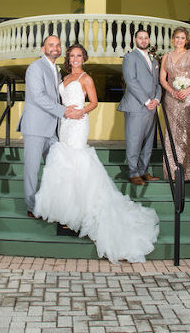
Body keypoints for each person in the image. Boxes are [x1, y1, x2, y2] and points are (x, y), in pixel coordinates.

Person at [34, 44, 159, 263]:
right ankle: (66, 210)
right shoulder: (62, 78)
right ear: (68, 58)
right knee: (64, 164)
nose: (75, 59)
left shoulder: (86, 78)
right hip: (64, 123)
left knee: (77, 161)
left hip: (79, 123)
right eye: (72, 55)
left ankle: (82, 211)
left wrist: (80, 111)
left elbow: (94, 102)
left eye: (79, 56)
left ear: (84, 58)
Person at [18, 35, 82, 216]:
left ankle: (53, 204)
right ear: (43, 48)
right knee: (32, 170)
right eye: (51, 45)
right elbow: (38, 97)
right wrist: (64, 111)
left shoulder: (56, 68)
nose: (55, 48)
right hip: (35, 127)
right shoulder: (35, 67)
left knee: (57, 167)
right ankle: (31, 207)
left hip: (52, 128)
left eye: (58, 45)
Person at [118, 29, 162, 186]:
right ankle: (133, 172)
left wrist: (156, 99)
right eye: (140, 38)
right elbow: (131, 81)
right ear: (135, 40)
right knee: (134, 140)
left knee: (148, 142)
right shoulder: (130, 57)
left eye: (146, 38)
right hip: (136, 106)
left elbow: (157, 84)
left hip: (151, 108)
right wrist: (146, 101)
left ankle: (143, 171)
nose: (143, 40)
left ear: (149, 40)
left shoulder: (154, 61)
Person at [159, 26, 190, 181]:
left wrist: (189, 89)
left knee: (186, 133)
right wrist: (171, 91)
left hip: (186, 98)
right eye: (177, 37)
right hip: (170, 98)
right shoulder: (166, 56)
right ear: (172, 39)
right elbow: (162, 79)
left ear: (186, 40)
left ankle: (188, 172)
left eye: (182, 38)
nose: (179, 40)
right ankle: (171, 171)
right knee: (171, 133)